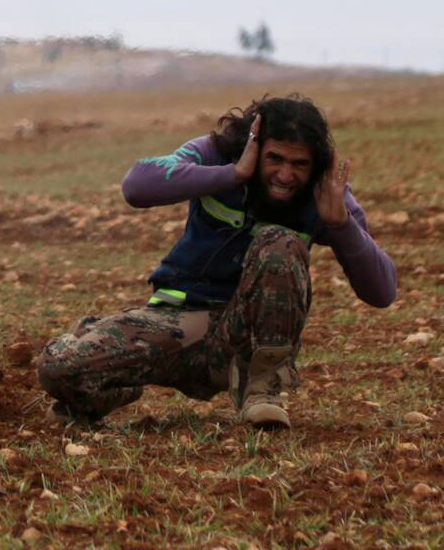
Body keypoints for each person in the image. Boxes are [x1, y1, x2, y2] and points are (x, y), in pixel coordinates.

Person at [36, 95, 396, 428]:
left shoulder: (326, 193)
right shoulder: (217, 154)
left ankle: (261, 389)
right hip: (177, 325)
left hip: (244, 338)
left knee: (280, 241)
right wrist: (232, 174)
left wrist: (342, 227)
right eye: (275, 159)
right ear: (253, 148)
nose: (286, 176)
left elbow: (382, 291)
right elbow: (137, 186)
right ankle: (109, 388)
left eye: (299, 164)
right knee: (59, 369)